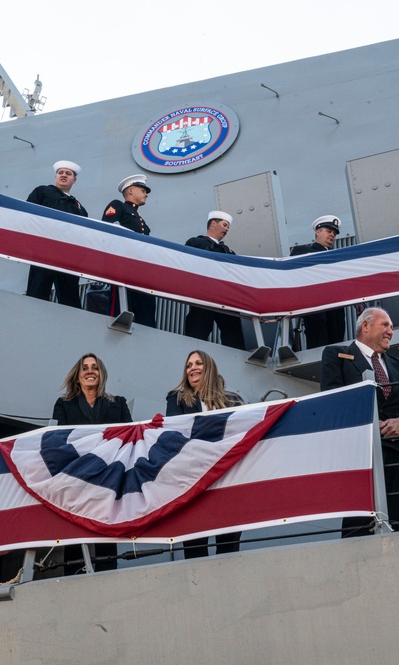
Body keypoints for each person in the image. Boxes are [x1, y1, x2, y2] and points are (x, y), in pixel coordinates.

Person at [321, 307, 399, 534]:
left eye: (392, 327)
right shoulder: (336, 355)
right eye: (385, 325)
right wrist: (367, 422)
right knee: (358, 525)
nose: (391, 331)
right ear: (365, 326)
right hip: (360, 452)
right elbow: (333, 397)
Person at [52, 353, 132, 573]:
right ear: (78, 377)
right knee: (77, 543)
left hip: (110, 480)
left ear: (101, 374)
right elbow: (58, 443)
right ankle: (74, 580)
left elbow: (130, 441)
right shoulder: (64, 405)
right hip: (79, 480)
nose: (90, 371)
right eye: (85, 368)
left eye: (95, 367)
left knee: (107, 541)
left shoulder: (118, 404)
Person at [166, 350, 244, 558]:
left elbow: (244, 436)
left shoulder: (234, 400)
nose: (192, 368)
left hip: (225, 480)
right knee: (194, 548)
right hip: (192, 482)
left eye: (198, 363)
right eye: (188, 365)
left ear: (208, 367)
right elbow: (175, 435)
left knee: (228, 549)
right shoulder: (177, 399)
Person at [25, 160, 87, 308]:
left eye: (68, 174)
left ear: (74, 180)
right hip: (44, 250)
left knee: (70, 296)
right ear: (55, 177)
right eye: (60, 173)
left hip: (68, 256)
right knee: (37, 291)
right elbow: (28, 215)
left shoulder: (79, 208)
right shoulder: (43, 192)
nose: (63, 176)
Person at [183, 211, 246, 349]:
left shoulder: (227, 250)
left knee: (233, 332)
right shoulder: (195, 242)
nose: (227, 229)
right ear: (213, 223)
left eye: (228, 226)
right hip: (204, 294)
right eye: (225, 225)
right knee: (197, 329)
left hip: (225, 297)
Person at [102, 174, 156, 327]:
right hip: (123, 265)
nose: (146, 194)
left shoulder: (142, 221)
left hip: (141, 269)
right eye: (143, 190)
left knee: (145, 307)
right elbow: (108, 229)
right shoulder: (118, 206)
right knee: (119, 305)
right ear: (131, 190)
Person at [290, 215, 345, 348]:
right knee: (318, 345)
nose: (332, 235)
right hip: (316, 308)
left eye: (334, 233)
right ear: (318, 231)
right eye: (329, 231)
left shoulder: (339, 256)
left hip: (335, 309)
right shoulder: (302, 251)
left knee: (336, 345)